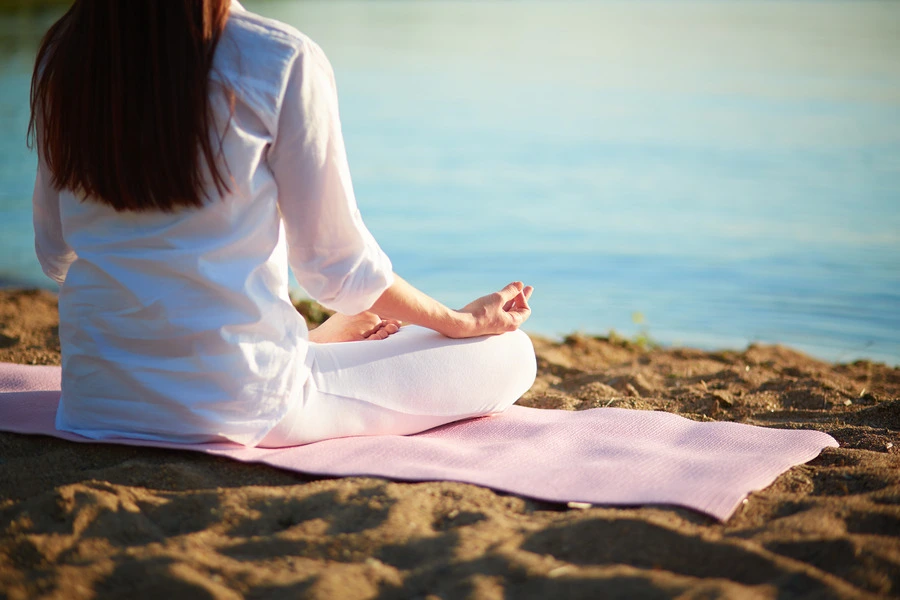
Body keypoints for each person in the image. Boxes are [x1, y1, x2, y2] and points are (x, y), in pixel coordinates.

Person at [28, 0, 536, 448]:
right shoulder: (279, 59)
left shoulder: (65, 55)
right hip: (240, 404)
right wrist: (461, 321)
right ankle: (299, 351)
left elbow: (56, 254)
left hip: (94, 398)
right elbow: (339, 272)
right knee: (511, 352)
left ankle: (305, 344)